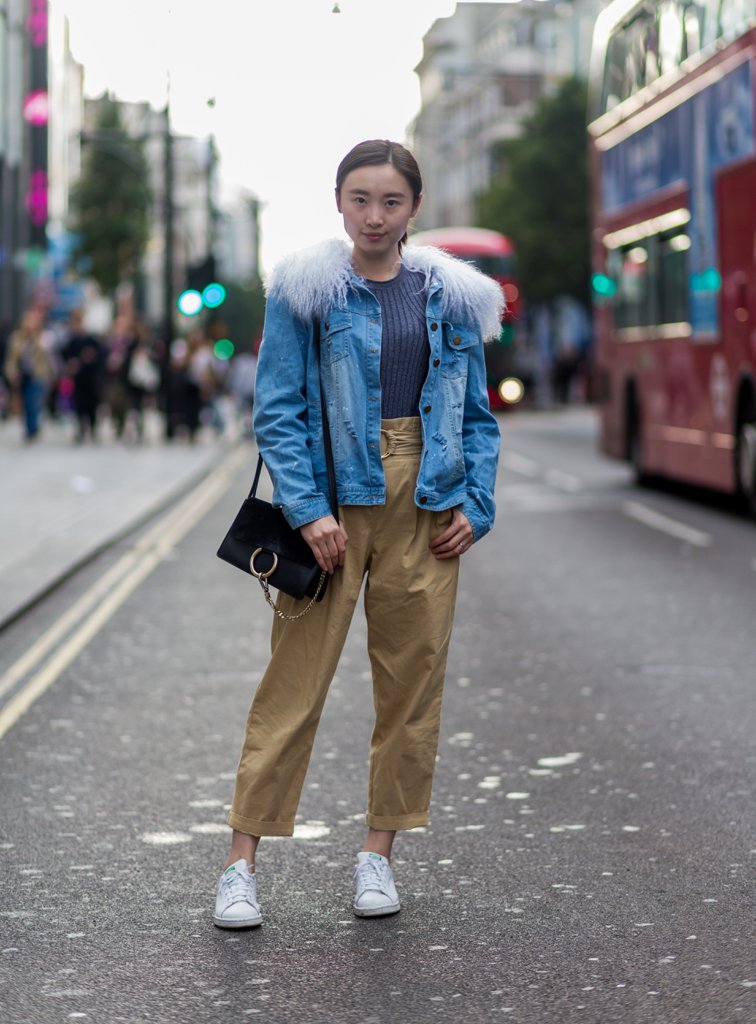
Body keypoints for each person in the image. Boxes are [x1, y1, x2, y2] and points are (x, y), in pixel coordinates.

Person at [213, 140, 503, 929]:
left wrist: (477, 503)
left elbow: (477, 415)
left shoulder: (453, 295)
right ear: (338, 202)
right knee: (293, 685)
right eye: (360, 199)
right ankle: (240, 866)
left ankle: (378, 853)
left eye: (391, 201)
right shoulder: (307, 291)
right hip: (334, 499)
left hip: (428, 499)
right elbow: (276, 407)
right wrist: (307, 510)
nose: (374, 216)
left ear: (415, 208)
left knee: (412, 686)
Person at [3, 306, 54, 441]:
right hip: (22, 376)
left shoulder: (43, 337)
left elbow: (48, 357)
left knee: (34, 401)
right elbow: (11, 359)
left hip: (38, 375)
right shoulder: (17, 338)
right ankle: (29, 426)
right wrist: (12, 373)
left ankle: (32, 428)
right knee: (25, 402)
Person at [61, 310, 104, 443]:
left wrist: (91, 357)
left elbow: (100, 355)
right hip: (78, 379)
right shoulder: (71, 341)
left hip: (91, 378)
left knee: (92, 405)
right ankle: (81, 429)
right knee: (79, 406)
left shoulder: (91, 339)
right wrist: (71, 365)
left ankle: (92, 429)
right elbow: (64, 356)